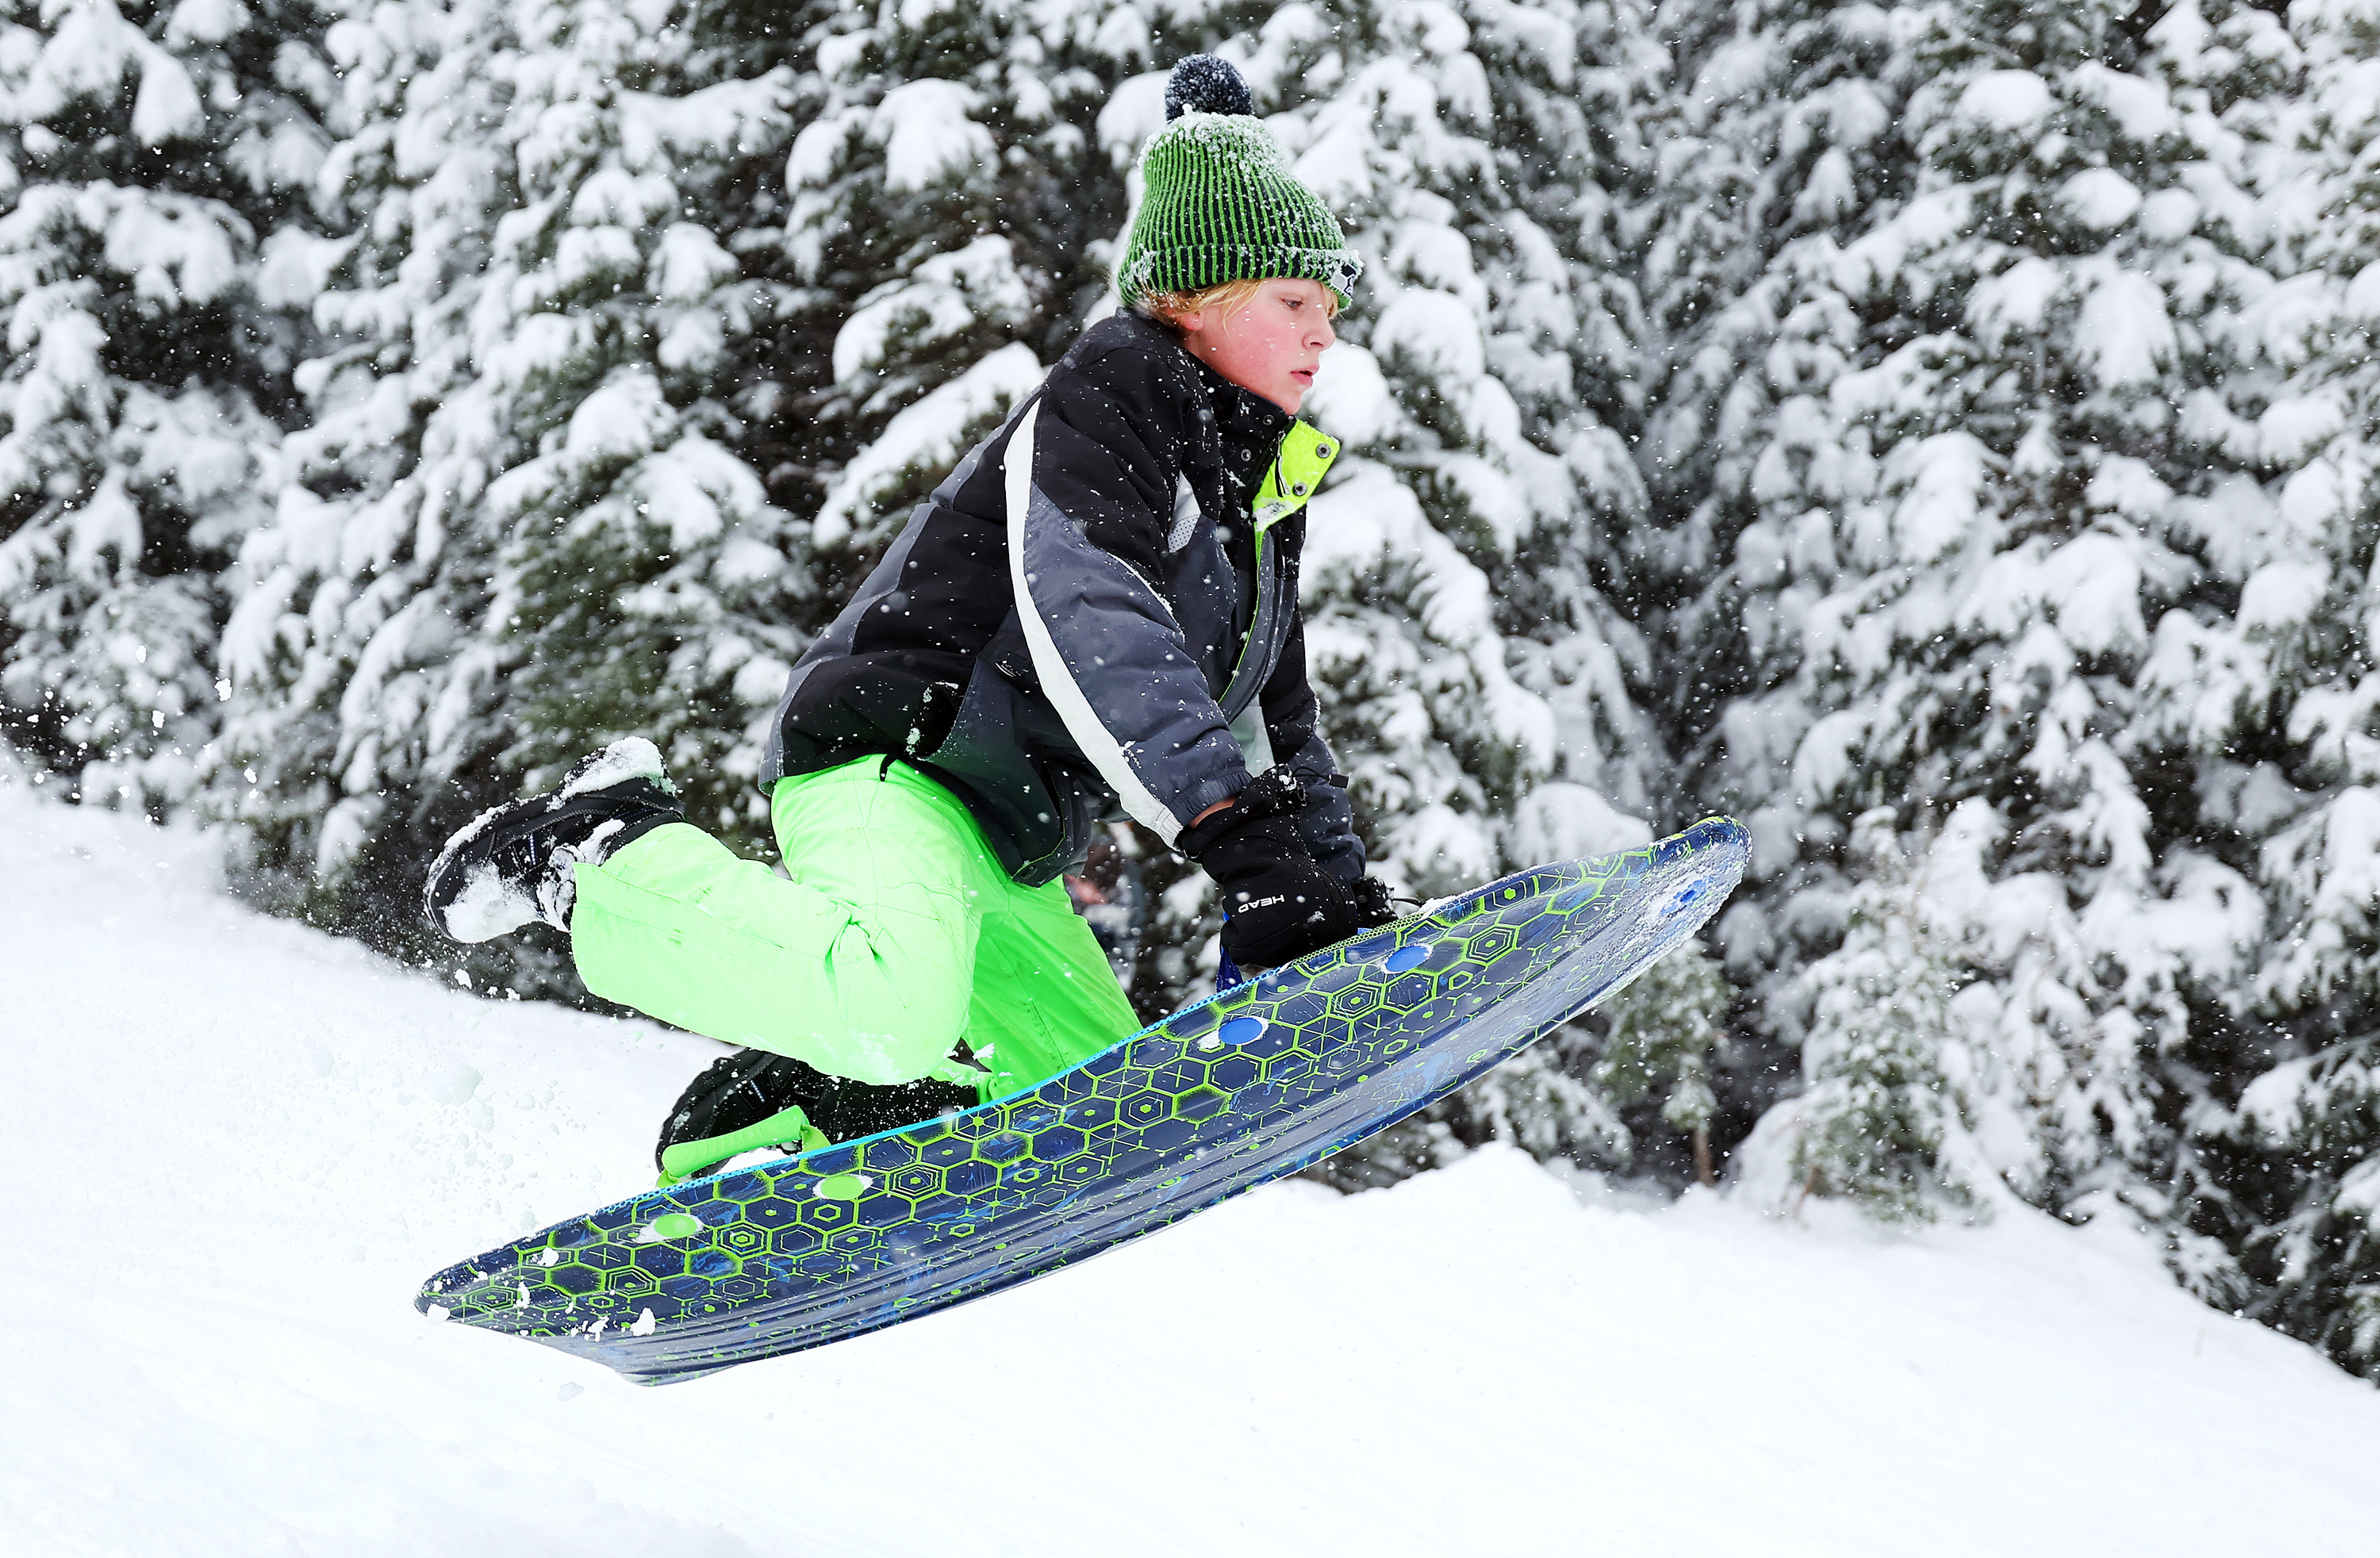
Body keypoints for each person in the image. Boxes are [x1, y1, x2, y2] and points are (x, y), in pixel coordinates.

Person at [421, 54, 1396, 1184]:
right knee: (888, 997)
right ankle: (595, 852)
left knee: (1105, 1121)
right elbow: (1096, 613)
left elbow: (1279, 715)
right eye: (1293, 302)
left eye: (1330, 308)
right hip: (900, 764)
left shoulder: (1255, 491)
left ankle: (801, 1109)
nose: (1324, 333)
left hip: (1007, 838)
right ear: (1189, 298)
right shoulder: (1114, 393)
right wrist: (1234, 831)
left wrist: (1327, 889)